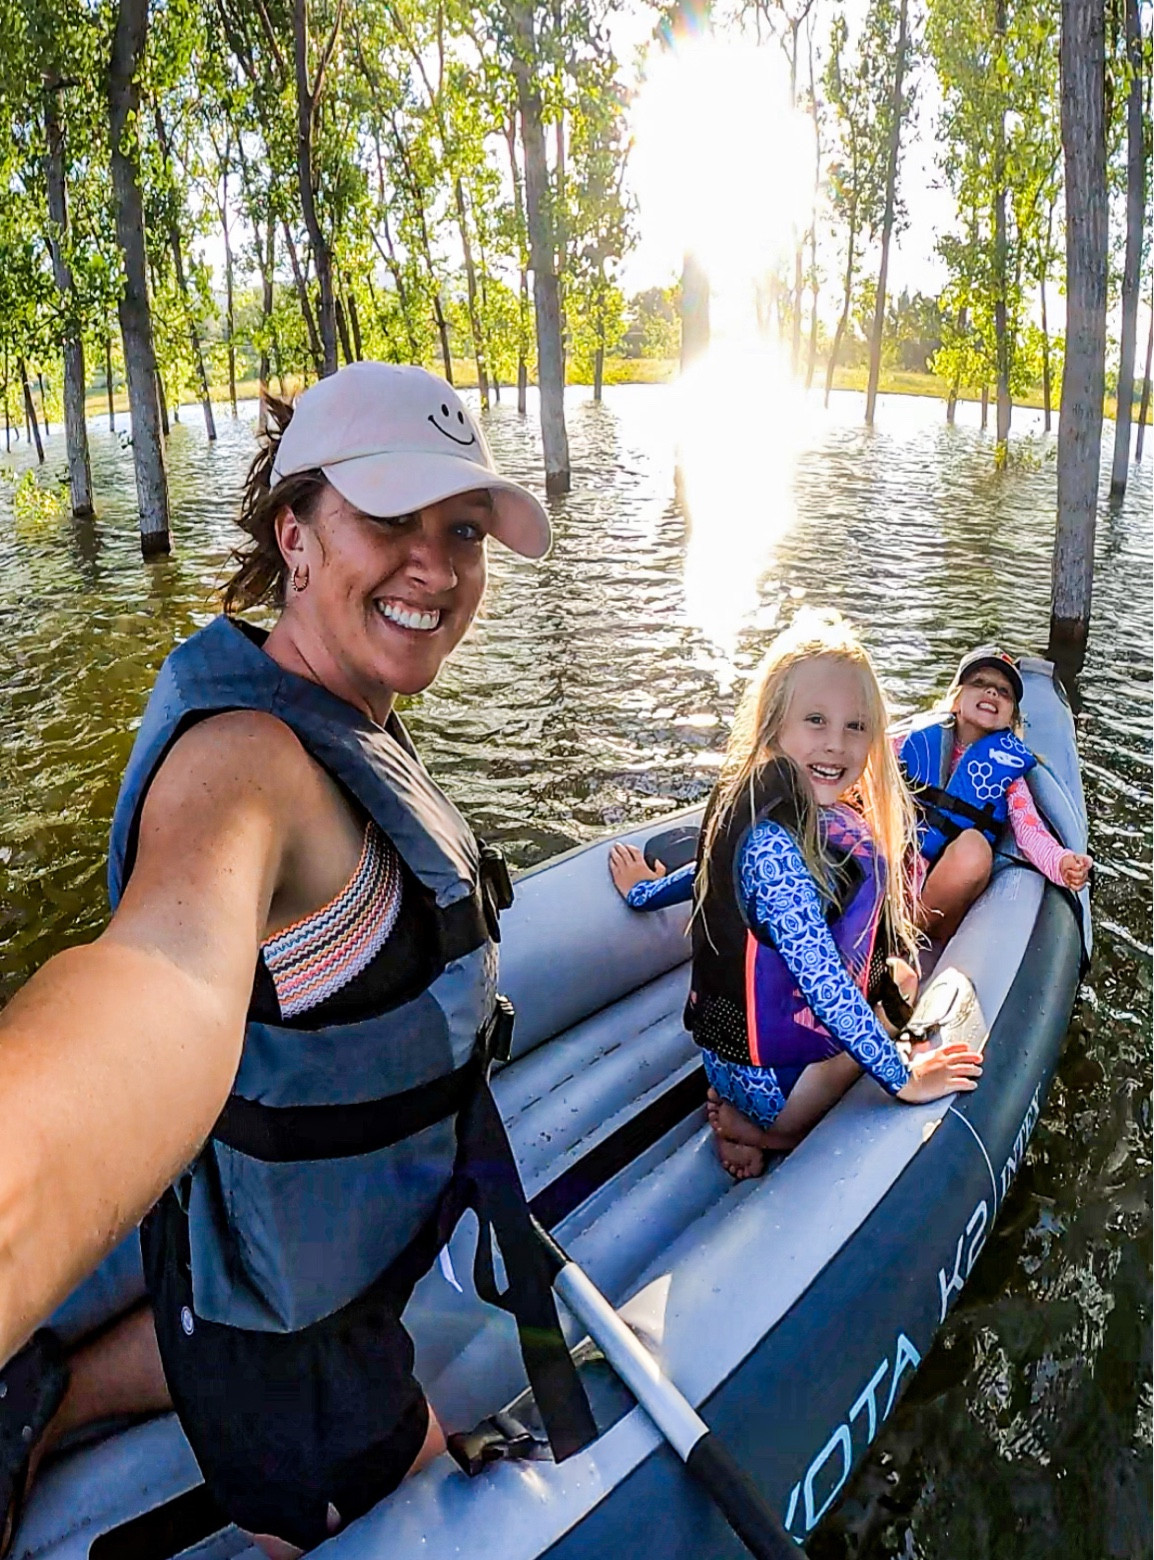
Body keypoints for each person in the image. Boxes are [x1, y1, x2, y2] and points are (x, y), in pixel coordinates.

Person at [0, 363, 594, 1556]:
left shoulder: (339, 707)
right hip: (297, 1357)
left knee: (196, 1327)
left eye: (462, 530)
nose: (435, 567)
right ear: (296, 534)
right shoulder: (245, 771)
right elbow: (158, 980)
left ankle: (42, 1396)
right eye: (388, 521)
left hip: (282, 1265)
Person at [609, 610, 983, 1180]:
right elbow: (826, 987)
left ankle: (748, 1107)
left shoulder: (782, 811)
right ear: (774, 724)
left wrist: (644, 893)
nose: (836, 745)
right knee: (886, 1008)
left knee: (901, 976)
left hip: (729, 1051)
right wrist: (906, 1077)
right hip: (771, 1082)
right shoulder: (775, 846)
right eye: (816, 720)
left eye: (855, 726)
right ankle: (762, 1132)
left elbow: (708, 876)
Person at [897, 646, 1092, 943]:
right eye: (979, 683)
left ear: (1012, 716)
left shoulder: (1010, 774)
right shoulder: (911, 742)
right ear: (956, 698)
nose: (992, 693)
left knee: (975, 848)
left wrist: (1062, 863)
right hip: (899, 861)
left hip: (945, 882)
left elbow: (1031, 833)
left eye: (1004, 692)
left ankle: (902, 935)